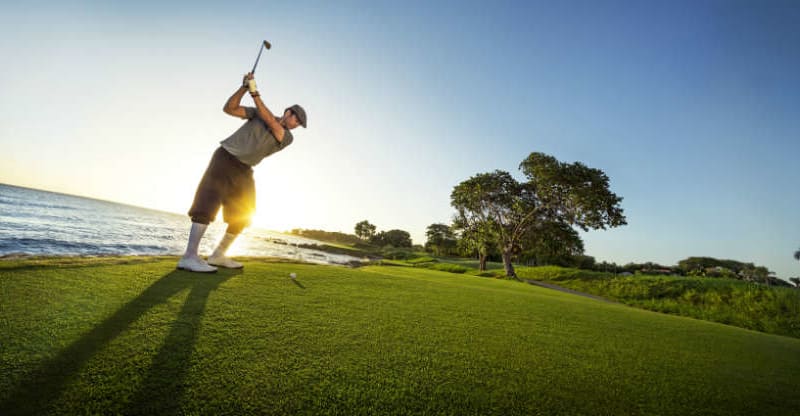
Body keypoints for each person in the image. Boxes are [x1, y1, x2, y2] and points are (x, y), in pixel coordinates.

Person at [178, 72, 307, 272]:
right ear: (288, 112)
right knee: (206, 204)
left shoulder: (287, 137)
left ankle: (218, 255)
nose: (296, 125)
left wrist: (255, 93)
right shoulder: (258, 113)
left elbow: (273, 125)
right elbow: (229, 108)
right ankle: (189, 256)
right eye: (296, 120)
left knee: (245, 214)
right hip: (225, 158)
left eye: (299, 124)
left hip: (245, 170)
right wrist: (244, 88)